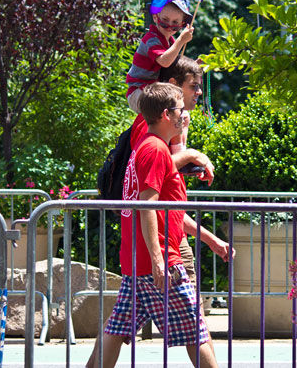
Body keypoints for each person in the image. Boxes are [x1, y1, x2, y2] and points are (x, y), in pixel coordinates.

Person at [88, 83, 219, 368]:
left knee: (115, 331)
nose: (184, 114)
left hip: (140, 262)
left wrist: (210, 240)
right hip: (158, 263)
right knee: (197, 333)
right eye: (179, 109)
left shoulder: (146, 148)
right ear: (165, 115)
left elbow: (167, 212)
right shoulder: (155, 150)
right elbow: (148, 205)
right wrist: (159, 260)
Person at [125, 0, 193, 115]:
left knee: (181, 111)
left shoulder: (171, 43)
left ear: (182, 25)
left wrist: (195, 65)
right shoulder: (152, 39)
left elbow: (174, 68)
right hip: (139, 92)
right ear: (156, 17)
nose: (169, 26)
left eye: (175, 22)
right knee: (171, 111)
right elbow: (164, 61)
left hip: (154, 91)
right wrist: (181, 40)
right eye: (165, 21)